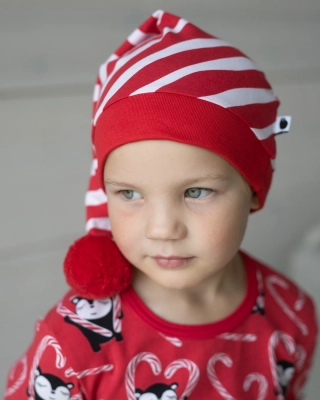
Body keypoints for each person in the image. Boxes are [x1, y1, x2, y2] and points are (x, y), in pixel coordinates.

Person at [4, 10, 317, 400]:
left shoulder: (291, 314)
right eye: (130, 193)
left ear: (254, 189)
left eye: (196, 191)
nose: (162, 228)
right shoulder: (74, 342)